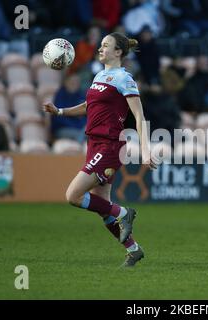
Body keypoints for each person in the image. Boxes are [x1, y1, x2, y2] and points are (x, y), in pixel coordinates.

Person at [43, 32, 157, 267]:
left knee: (73, 195)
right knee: (102, 207)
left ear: (118, 52)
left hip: (111, 145)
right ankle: (133, 250)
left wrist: (145, 150)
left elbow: (139, 115)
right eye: (101, 45)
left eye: (106, 45)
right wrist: (60, 112)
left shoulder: (125, 79)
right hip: (94, 143)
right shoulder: (100, 75)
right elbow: (89, 106)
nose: (100, 48)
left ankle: (124, 213)